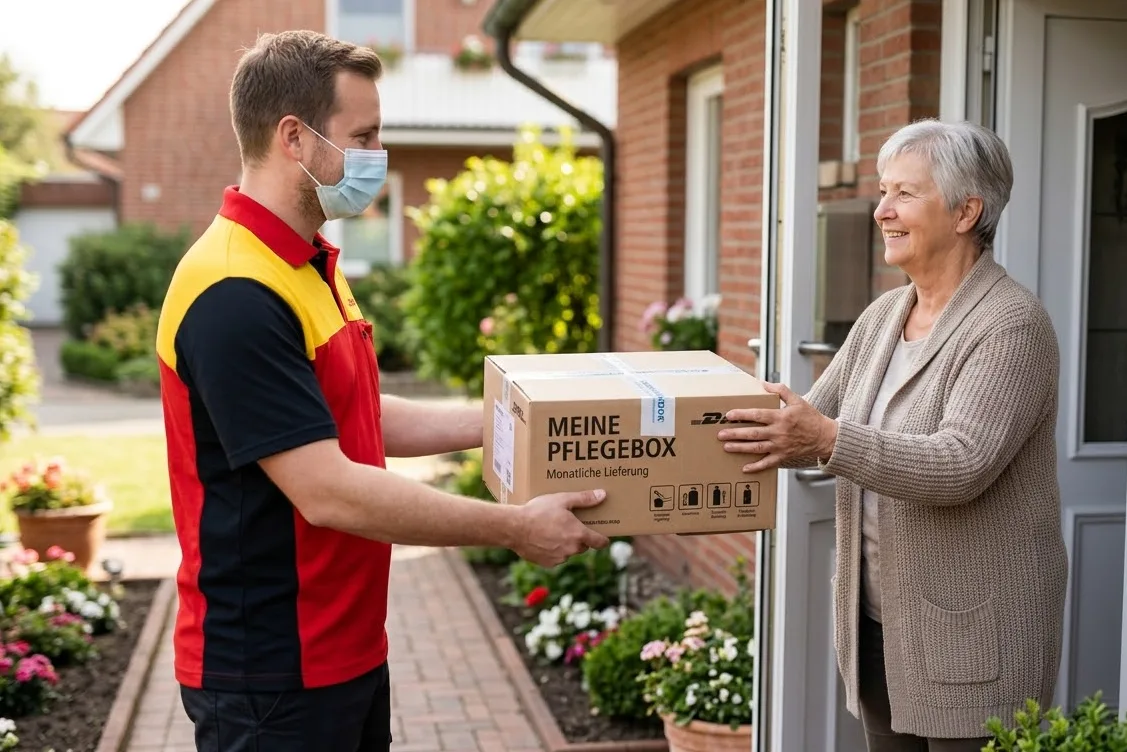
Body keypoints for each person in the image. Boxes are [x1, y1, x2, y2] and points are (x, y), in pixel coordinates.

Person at [155, 30, 609, 752]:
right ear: (294, 138)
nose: (376, 156)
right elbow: (327, 489)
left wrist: (516, 422)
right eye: (362, 136)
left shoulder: (307, 263)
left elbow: (356, 414)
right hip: (272, 673)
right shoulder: (234, 291)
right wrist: (514, 528)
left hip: (343, 651)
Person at [718, 119, 1067, 751]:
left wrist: (824, 438)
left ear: (967, 211)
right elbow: (807, 418)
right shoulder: (886, 314)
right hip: (880, 621)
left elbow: (960, 464)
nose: (881, 210)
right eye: (883, 192)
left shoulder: (1012, 325)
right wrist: (689, 423)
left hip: (974, 634)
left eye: (903, 194)